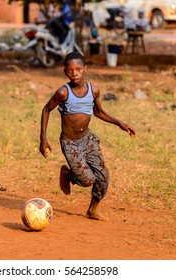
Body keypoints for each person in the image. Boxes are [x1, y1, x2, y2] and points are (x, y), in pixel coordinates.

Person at [39, 51, 136, 221]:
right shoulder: (63, 93)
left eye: (78, 69)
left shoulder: (94, 90)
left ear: (85, 69)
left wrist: (119, 122)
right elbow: (46, 109)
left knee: (103, 176)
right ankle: (68, 174)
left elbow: (99, 112)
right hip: (70, 143)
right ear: (65, 72)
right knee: (87, 180)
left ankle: (93, 210)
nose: (74, 73)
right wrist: (43, 139)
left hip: (88, 140)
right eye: (69, 70)